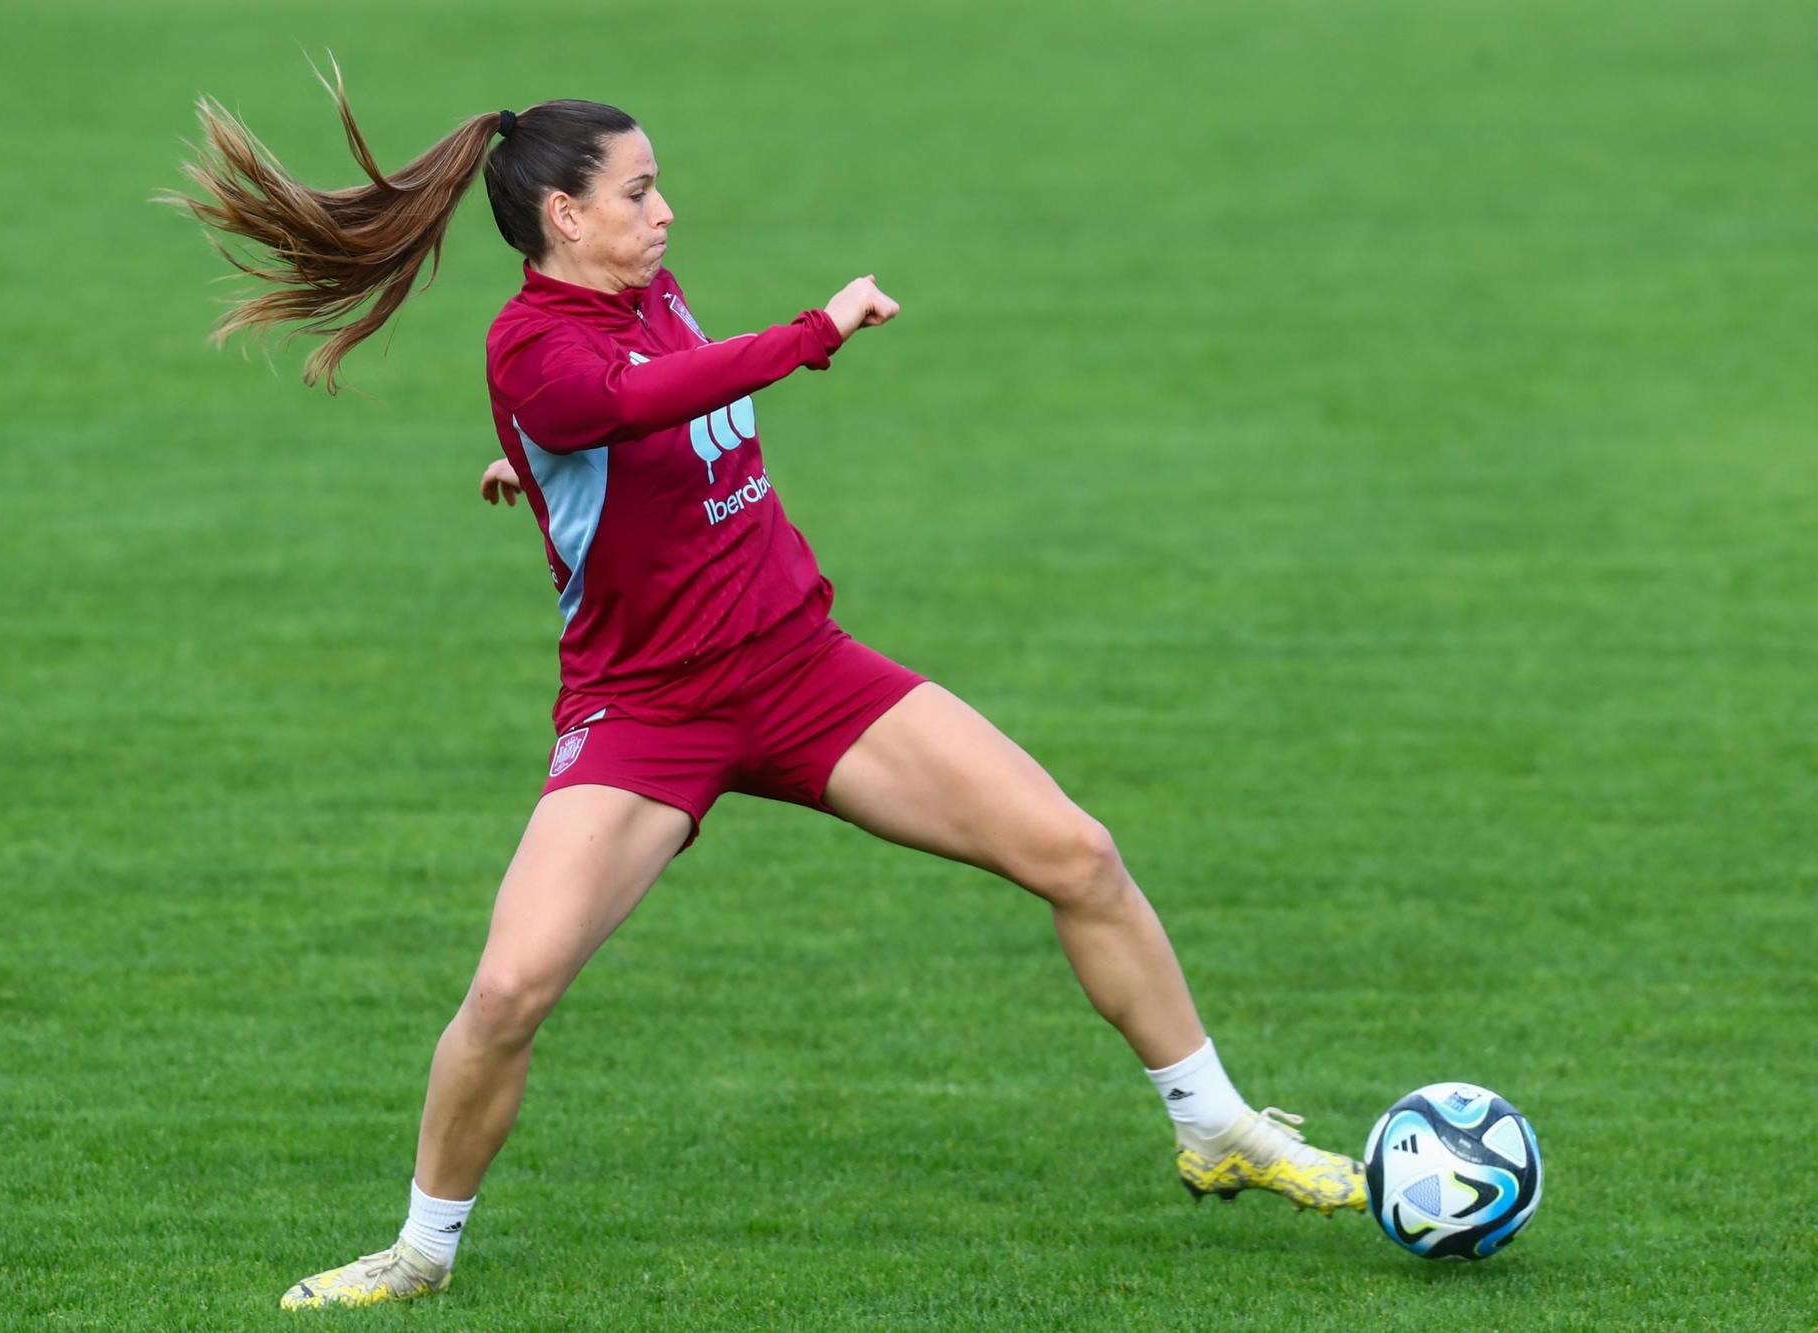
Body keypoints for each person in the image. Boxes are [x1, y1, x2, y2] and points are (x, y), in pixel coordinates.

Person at [163, 70, 1366, 1313]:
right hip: (647, 718)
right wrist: (808, 335)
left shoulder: (647, 293)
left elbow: (636, 416)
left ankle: (1215, 1125)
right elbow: (614, 400)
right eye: (638, 191)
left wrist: (534, 461)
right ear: (564, 218)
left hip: (802, 671)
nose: (666, 211)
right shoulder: (527, 347)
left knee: (1075, 853)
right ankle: (420, 1250)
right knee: (510, 990)